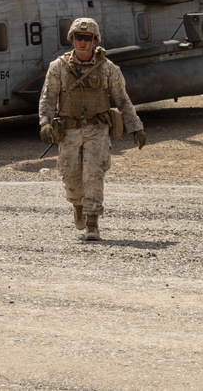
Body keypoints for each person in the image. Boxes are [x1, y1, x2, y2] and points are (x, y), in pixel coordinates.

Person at [38, 17, 147, 241]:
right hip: (68, 130)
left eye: (88, 38)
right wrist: (45, 122)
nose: (83, 42)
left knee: (93, 173)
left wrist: (136, 127)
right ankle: (77, 205)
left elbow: (123, 100)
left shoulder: (108, 69)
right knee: (70, 176)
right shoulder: (58, 67)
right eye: (79, 37)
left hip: (97, 129)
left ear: (95, 40)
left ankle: (92, 221)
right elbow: (48, 98)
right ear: (72, 39)